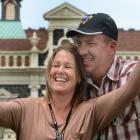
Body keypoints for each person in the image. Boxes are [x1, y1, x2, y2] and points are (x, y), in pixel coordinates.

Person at [0, 44, 140, 140]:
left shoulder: (90, 111)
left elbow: (130, 89)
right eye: (56, 65)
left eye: (68, 67)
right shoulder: (24, 109)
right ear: (49, 72)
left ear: (79, 77)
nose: (60, 71)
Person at [66, 13, 140, 139]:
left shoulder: (131, 76)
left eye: (90, 43)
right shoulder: (76, 86)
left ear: (112, 47)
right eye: (79, 43)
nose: (81, 51)